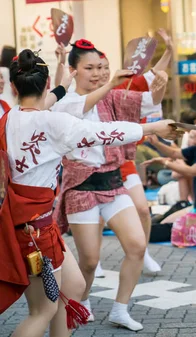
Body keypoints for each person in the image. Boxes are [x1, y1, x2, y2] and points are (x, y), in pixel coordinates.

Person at [0, 49, 177, 337]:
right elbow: (105, 132)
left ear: (13, 86)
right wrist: (153, 127)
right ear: (44, 84)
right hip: (36, 229)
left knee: (73, 287)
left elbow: (46, 102)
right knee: (42, 311)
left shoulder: (10, 118)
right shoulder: (53, 122)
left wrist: (63, 85)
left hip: (29, 222)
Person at [51, 39, 170, 331]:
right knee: (90, 261)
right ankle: (83, 299)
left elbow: (150, 101)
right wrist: (110, 83)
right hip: (81, 187)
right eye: (89, 68)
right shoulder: (63, 102)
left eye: (101, 67)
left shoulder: (114, 97)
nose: (97, 73)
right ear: (73, 71)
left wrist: (162, 83)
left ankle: (120, 309)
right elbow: (84, 120)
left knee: (137, 245)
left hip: (113, 182)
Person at [92, 28, 174, 277]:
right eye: (94, 68)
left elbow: (155, 79)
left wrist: (169, 49)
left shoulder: (131, 82)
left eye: (103, 67)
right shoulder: (89, 96)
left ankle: (143, 251)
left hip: (122, 159)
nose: (100, 72)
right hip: (94, 164)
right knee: (99, 217)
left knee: (141, 208)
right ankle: (92, 260)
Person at [143, 116, 196, 218]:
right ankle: (182, 203)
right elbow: (174, 153)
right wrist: (156, 143)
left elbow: (192, 172)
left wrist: (166, 163)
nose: (191, 132)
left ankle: (183, 203)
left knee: (167, 227)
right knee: (162, 222)